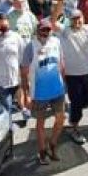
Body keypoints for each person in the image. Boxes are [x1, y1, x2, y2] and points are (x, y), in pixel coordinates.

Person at [21, 19, 66, 165]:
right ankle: (42, 152)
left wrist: (64, 82)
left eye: (48, 30)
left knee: (61, 118)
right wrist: (26, 94)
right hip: (39, 93)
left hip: (57, 89)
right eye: (43, 30)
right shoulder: (30, 46)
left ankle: (52, 144)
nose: (45, 33)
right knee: (40, 122)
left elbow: (61, 63)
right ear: (37, 31)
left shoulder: (56, 42)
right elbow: (23, 71)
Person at [55, 9, 88, 145]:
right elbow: (53, 23)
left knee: (87, 101)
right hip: (72, 75)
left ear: (83, 17)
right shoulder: (64, 31)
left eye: (79, 18)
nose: (77, 21)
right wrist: (57, 6)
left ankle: (74, 114)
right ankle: (74, 127)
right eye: (74, 19)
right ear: (70, 20)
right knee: (76, 103)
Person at [0, 13, 28, 122]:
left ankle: (23, 109)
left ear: (8, 25)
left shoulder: (16, 37)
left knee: (20, 96)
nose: (1, 30)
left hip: (15, 78)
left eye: (4, 27)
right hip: (0, 83)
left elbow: (23, 58)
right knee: (7, 107)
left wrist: (25, 77)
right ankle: (9, 129)